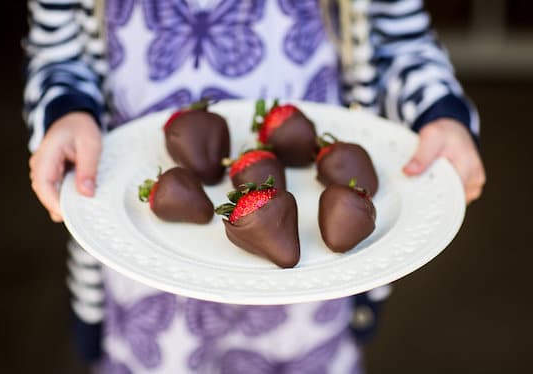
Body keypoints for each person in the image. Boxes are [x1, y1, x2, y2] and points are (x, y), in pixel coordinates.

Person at [24, 0, 486, 372]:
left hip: (317, 278)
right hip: (145, 269)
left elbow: (399, 41)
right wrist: (65, 113)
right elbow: (59, 53)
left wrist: (438, 112)